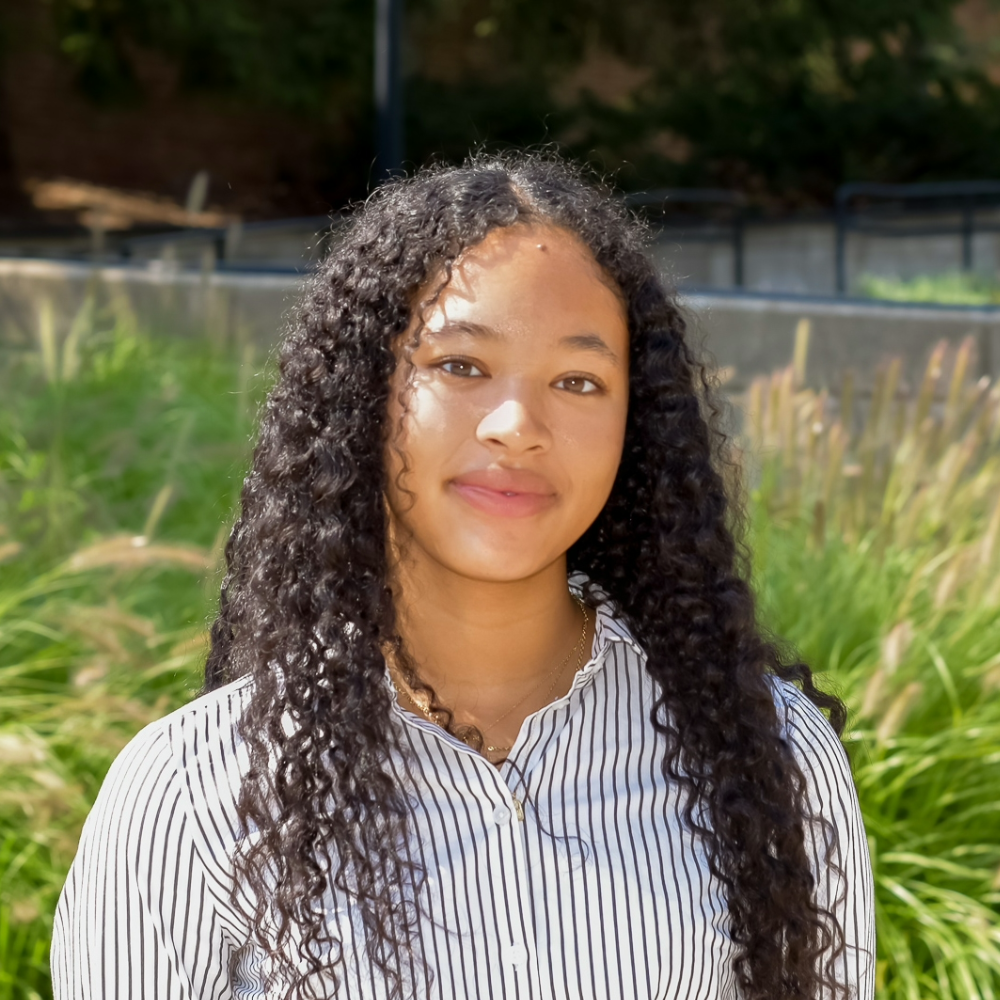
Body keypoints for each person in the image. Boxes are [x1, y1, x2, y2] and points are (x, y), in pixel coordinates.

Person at [51, 152, 874, 1000]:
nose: (518, 425)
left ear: (637, 427)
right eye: (461, 366)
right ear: (363, 391)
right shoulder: (192, 797)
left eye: (579, 381)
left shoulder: (772, 760)